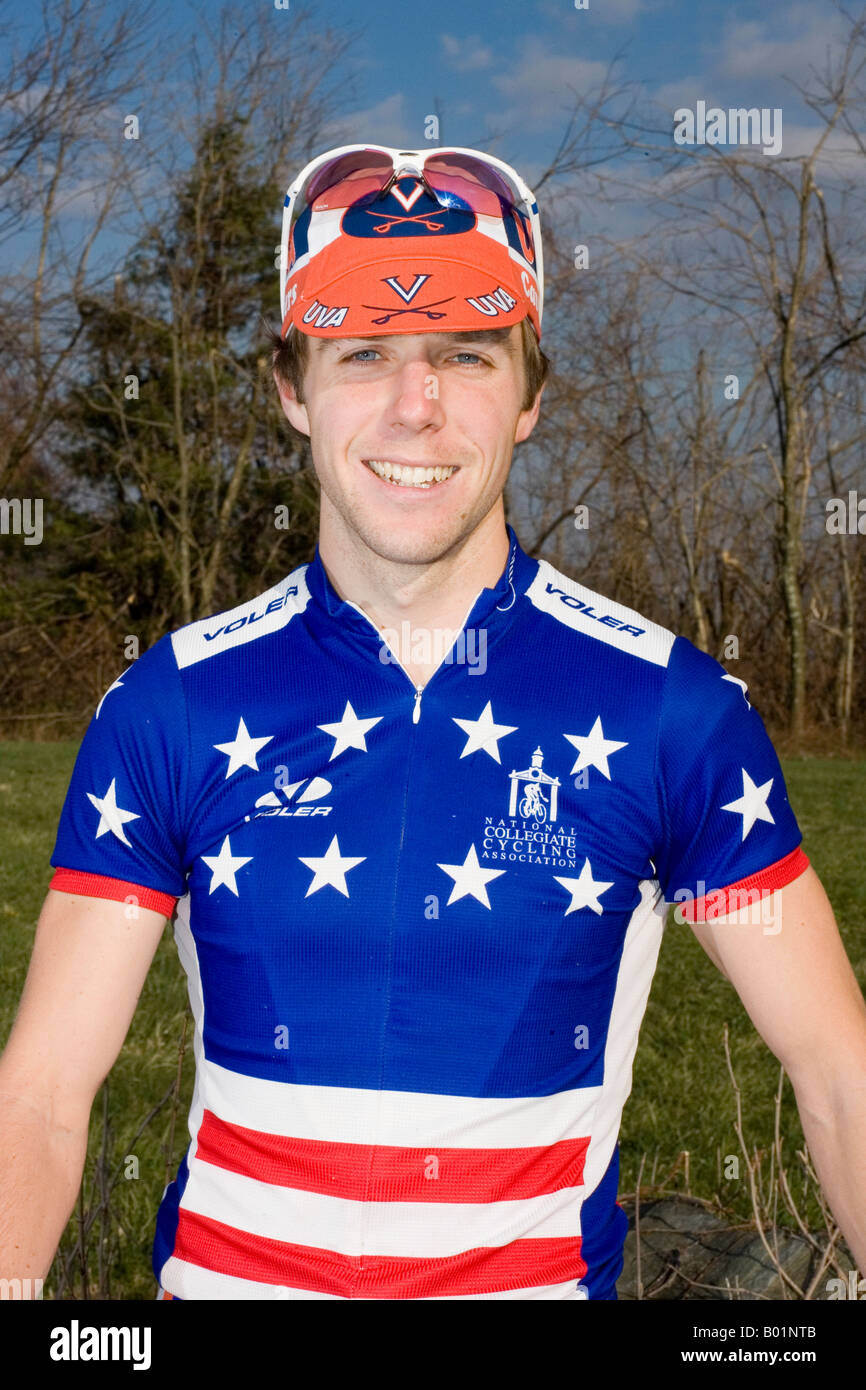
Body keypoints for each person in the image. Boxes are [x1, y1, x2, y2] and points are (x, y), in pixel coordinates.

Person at [1, 144, 864, 1302]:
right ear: (291, 389)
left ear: (529, 395)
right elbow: (44, 1098)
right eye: (364, 354)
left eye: (465, 352)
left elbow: (835, 1075)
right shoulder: (174, 703)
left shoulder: (671, 711)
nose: (417, 406)